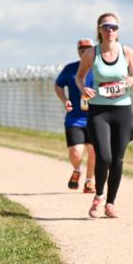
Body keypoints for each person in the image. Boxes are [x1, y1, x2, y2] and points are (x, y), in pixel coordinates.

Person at [75, 13, 133, 218]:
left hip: (122, 110)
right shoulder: (92, 54)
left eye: (113, 27)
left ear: (118, 30)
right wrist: (82, 89)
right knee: (103, 156)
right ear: (99, 29)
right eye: (106, 27)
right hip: (99, 111)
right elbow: (79, 77)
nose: (110, 30)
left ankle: (111, 203)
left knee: (118, 159)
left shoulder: (127, 52)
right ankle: (99, 195)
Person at [55, 39, 97, 193]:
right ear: (78, 50)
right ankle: (77, 170)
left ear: (93, 49)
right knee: (76, 152)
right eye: (81, 48)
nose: (84, 51)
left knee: (94, 151)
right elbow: (58, 85)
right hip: (75, 118)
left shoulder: (100, 69)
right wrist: (65, 100)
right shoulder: (70, 69)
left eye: (88, 48)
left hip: (95, 117)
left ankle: (89, 181)